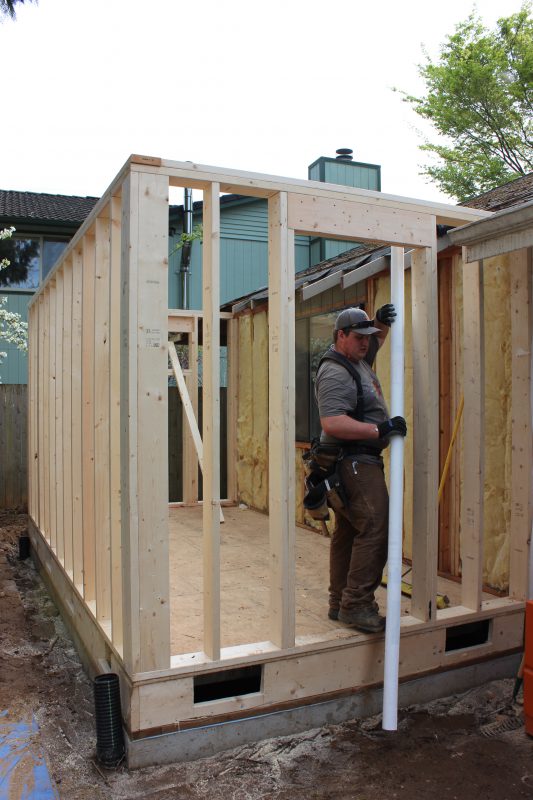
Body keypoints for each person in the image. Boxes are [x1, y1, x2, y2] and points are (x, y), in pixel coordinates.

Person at [314, 305, 407, 633]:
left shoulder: (356, 359)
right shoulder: (336, 371)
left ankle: (340, 601)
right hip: (353, 461)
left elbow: (376, 339)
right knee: (376, 526)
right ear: (341, 336)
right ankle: (356, 604)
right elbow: (333, 422)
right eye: (359, 337)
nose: (367, 343)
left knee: (350, 531)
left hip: (355, 460)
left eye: (368, 337)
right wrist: (379, 431)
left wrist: (379, 322)